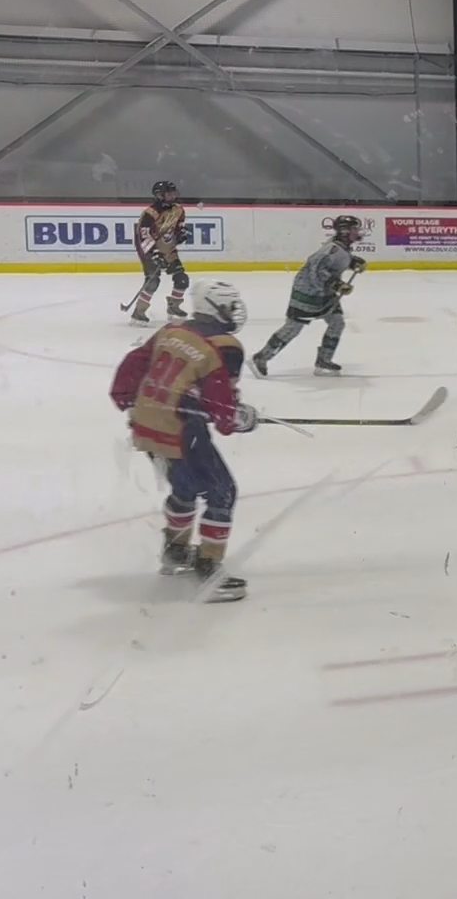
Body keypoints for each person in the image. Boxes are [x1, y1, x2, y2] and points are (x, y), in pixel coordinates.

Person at [109, 279, 256, 601]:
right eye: (230, 305)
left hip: (146, 423)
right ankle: (209, 569)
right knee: (222, 492)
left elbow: (134, 363)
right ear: (215, 307)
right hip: (181, 429)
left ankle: (175, 553)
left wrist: (129, 401)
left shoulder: (171, 330)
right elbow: (221, 403)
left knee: (185, 487)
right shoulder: (226, 346)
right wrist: (237, 418)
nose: (235, 311)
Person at [251, 215, 366, 376]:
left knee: (337, 322)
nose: (357, 231)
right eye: (354, 229)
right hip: (307, 293)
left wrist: (352, 262)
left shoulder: (341, 247)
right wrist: (337, 284)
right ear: (345, 231)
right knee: (293, 328)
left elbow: (334, 262)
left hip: (324, 293)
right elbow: (316, 268)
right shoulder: (331, 248)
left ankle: (324, 360)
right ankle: (261, 357)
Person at [129, 180, 190, 324]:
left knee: (182, 279)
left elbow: (179, 225)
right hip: (148, 249)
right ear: (159, 196)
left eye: (173, 193)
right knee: (153, 281)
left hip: (168, 248)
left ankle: (174, 307)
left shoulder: (178, 209)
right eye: (169, 194)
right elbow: (143, 237)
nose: (172, 196)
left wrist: (182, 233)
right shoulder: (150, 214)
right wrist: (154, 254)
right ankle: (139, 312)